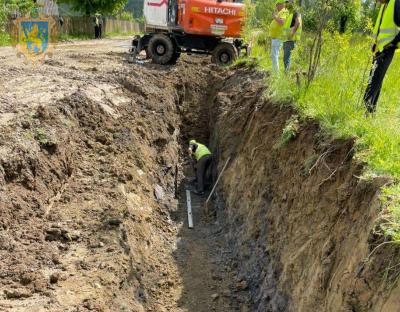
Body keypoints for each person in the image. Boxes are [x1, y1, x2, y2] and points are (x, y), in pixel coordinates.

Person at [364, 0, 400, 114]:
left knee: (374, 80)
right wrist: (374, 44)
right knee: (374, 80)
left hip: (387, 49)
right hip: (378, 49)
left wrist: (393, 43)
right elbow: (380, 28)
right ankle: (370, 111)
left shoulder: (396, 3)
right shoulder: (385, 5)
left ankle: (366, 112)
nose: (377, 1)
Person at [282, 0, 302, 72]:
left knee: (286, 59)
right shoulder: (290, 12)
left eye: (288, 2)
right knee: (289, 59)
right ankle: (292, 75)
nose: (286, 3)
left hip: (290, 39)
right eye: (286, 2)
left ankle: (287, 76)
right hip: (288, 39)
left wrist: (292, 34)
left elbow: (298, 23)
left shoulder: (294, 12)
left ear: (292, 3)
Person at [269, 0, 288, 73]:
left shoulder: (284, 11)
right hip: (276, 37)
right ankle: (275, 72)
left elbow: (281, 22)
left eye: (277, 4)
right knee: (273, 55)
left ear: (281, 4)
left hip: (278, 37)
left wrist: (274, 16)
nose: (276, 6)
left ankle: (276, 74)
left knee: (274, 55)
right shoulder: (281, 12)